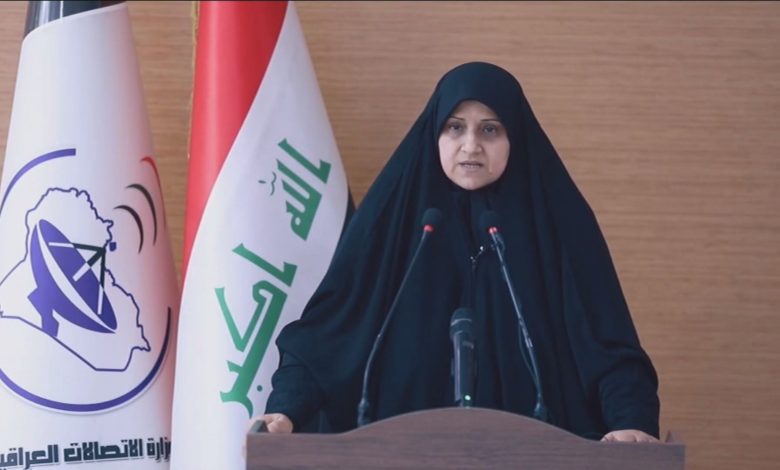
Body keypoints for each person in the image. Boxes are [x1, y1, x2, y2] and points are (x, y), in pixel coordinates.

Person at [258, 62, 660, 442]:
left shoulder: (559, 221)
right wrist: (286, 408)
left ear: (515, 136)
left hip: (540, 449)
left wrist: (631, 420)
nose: (471, 146)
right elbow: (328, 335)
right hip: (400, 450)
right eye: (455, 127)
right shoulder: (392, 219)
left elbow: (605, 343)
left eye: (490, 130)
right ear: (435, 132)